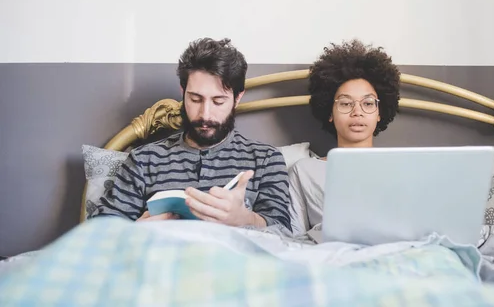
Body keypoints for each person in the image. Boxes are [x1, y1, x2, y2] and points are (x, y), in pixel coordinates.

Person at [94, 38, 291, 232]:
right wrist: (136, 231)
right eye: (195, 99)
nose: (205, 115)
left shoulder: (265, 159)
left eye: (218, 101)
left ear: (237, 98)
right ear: (183, 92)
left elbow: (283, 233)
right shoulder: (144, 160)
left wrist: (245, 219)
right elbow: (99, 234)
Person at [289, 39, 400, 236]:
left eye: (367, 103)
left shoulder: (402, 167)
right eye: (346, 103)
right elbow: (292, 237)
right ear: (330, 112)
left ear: (379, 112)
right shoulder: (305, 170)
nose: (357, 112)